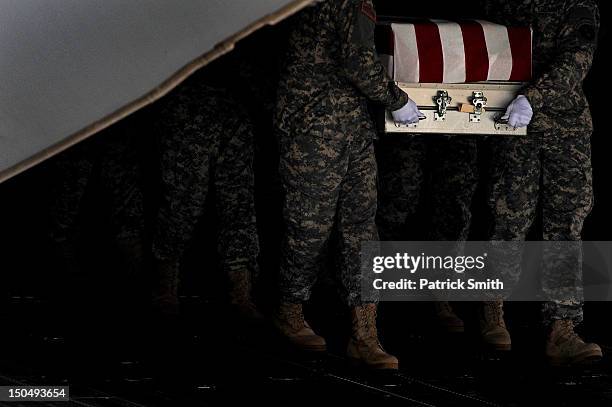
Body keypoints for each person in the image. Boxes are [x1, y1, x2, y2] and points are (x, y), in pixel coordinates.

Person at [273, 0, 421, 370]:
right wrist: (396, 99)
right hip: (315, 128)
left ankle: (365, 334)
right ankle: (289, 311)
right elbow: (358, 60)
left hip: (352, 126)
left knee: (361, 230)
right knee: (310, 225)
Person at [478, 0, 602, 365]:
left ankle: (562, 328)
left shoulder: (577, 5)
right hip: (511, 122)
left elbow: (576, 60)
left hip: (564, 127)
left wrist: (534, 97)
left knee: (566, 226)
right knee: (507, 219)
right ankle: (492, 311)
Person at [151, 76, 261, 324]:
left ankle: (241, 292)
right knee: (182, 204)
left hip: (233, 105)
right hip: (187, 103)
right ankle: (165, 287)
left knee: (239, 203)